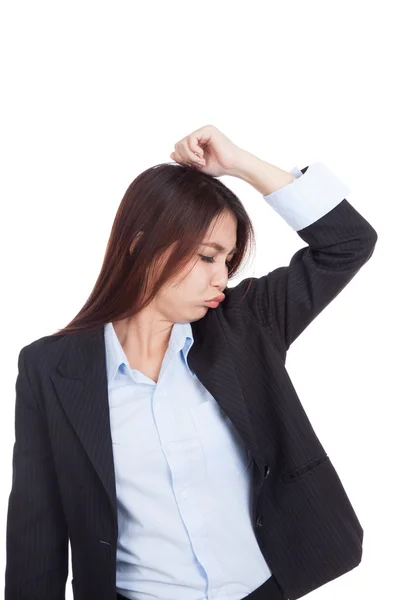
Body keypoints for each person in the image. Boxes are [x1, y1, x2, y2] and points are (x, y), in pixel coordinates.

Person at [5, 125, 378, 600]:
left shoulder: (245, 326)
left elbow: (348, 243)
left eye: (228, 261)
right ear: (141, 243)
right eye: (207, 257)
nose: (222, 278)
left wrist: (240, 163)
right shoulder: (50, 369)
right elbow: (37, 531)